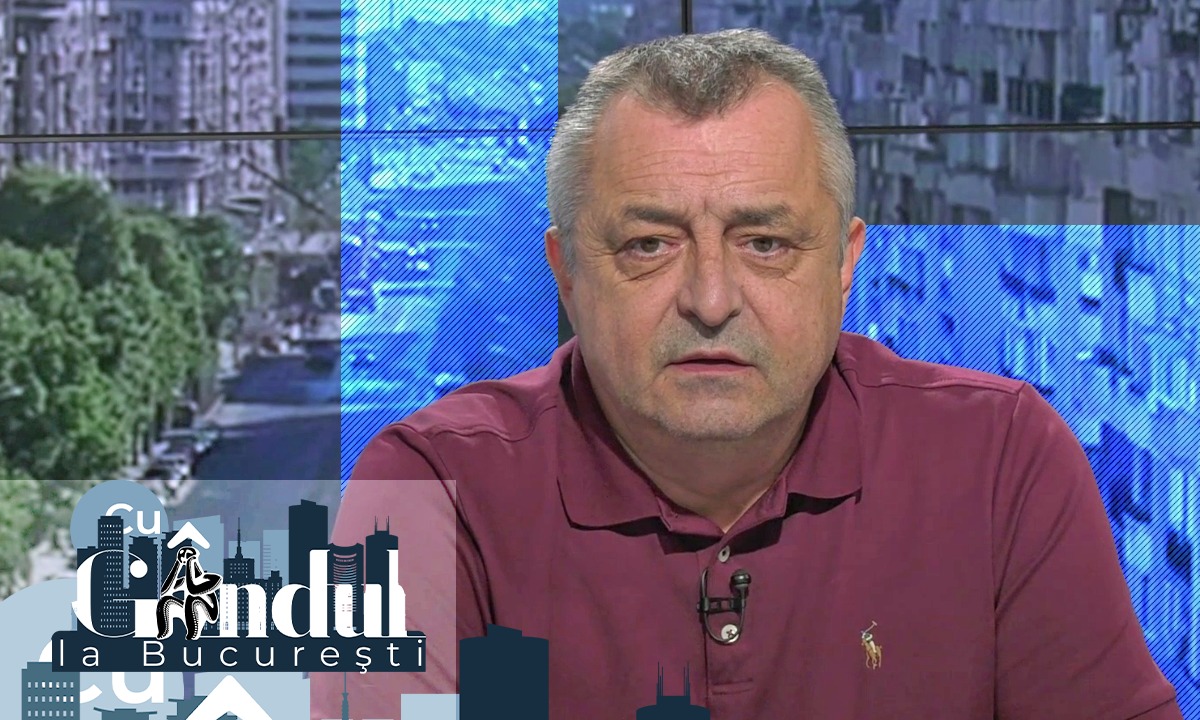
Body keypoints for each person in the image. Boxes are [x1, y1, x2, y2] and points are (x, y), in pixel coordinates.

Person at [312, 29, 1182, 720]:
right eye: (648, 245)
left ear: (844, 264)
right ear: (567, 274)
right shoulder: (427, 486)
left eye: (765, 243)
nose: (711, 299)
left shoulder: (1000, 457)